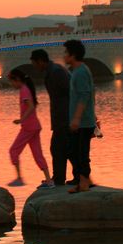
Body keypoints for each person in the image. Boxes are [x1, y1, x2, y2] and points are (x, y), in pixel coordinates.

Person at [29, 48, 76, 185]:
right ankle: (66, 177)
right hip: (60, 117)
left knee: (59, 148)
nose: (34, 67)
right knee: (63, 148)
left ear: (40, 61)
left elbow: (71, 92)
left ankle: (62, 178)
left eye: (34, 63)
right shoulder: (52, 72)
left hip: (65, 117)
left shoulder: (56, 72)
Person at [6, 67, 53, 188]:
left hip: (29, 127)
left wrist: (21, 119)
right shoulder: (26, 89)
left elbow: (31, 106)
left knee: (13, 151)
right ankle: (49, 180)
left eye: (12, 82)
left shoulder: (24, 90)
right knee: (37, 154)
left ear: (17, 80)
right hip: (34, 126)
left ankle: (19, 178)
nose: (11, 85)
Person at [63, 39, 96, 194]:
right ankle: (85, 180)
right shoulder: (76, 71)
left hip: (83, 122)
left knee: (80, 153)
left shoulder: (81, 72)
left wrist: (76, 118)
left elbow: (84, 96)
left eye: (66, 53)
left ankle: (83, 183)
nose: (64, 56)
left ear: (73, 55)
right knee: (72, 150)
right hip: (82, 120)